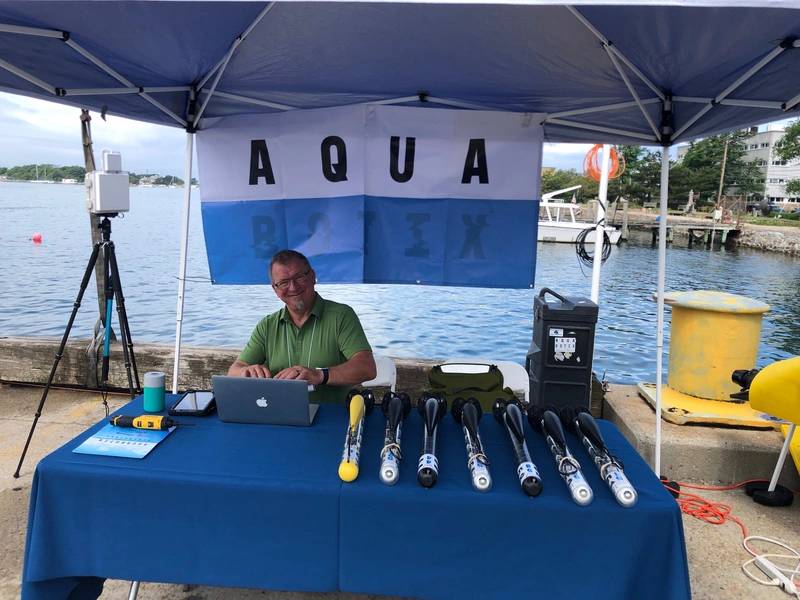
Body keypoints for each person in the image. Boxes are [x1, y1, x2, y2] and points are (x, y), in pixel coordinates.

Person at [228, 249, 377, 404]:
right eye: (284, 282)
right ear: (275, 289)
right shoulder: (267, 326)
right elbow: (234, 371)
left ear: (312, 276)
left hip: (332, 419)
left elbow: (367, 367)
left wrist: (319, 375)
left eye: (299, 277)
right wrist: (246, 371)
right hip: (280, 416)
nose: (293, 287)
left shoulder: (341, 316)